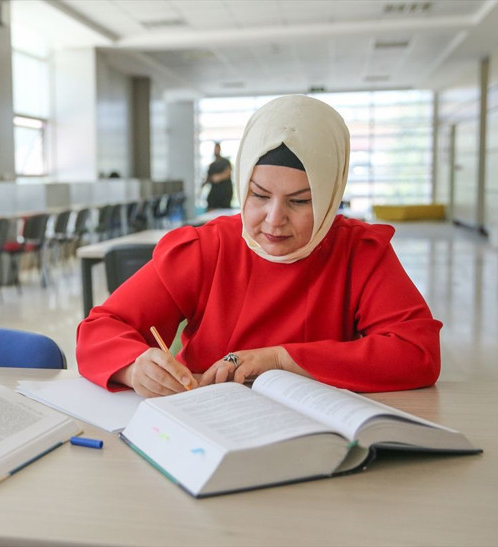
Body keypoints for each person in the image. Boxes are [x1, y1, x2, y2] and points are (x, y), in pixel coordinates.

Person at [76, 95, 442, 398]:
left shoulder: (359, 251)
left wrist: (280, 360)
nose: (274, 219)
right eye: (259, 195)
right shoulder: (207, 248)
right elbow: (101, 328)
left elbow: (416, 352)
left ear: (331, 196)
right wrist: (134, 367)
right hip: (206, 426)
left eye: (300, 201)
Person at [203, 142, 233, 210]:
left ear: (220, 149)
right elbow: (209, 178)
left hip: (224, 192)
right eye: (215, 149)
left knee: (225, 211)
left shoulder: (225, 162)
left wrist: (218, 177)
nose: (216, 151)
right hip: (214, 193)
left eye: (217, 149)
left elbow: (227, 174)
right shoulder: (212, 165)